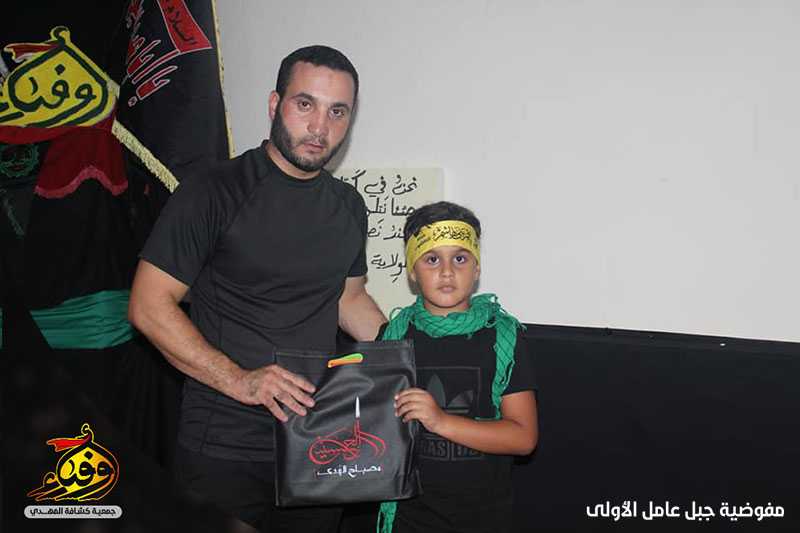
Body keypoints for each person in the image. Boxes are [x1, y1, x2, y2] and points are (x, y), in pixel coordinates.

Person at [128, 45, 386, 532]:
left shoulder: (349, 205)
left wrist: (410, 354)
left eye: (337, 112)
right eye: (305, 104)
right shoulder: (213, 189)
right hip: (223, 446)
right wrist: (239, 380)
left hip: (321, 441)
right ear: (274, 105)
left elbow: (349, 300)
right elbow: (148, 305)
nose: (319, 127)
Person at [377, 201, 538, 533]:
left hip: (483, 518)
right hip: (410, 518)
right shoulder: (393, 336)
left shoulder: (502, 337)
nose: (447, 272)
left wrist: (440, 421)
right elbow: (374, 426)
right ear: (411, 271)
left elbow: (523, 437)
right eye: (432, 259)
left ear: (476, 269)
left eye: (460, 259)